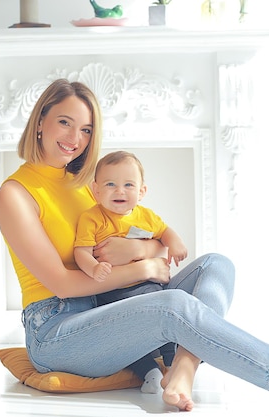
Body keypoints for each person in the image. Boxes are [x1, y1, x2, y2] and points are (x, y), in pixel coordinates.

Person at [0, 78, 269, 412]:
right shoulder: (16, 193)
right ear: (40, 120)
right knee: (171, 306)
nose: (75, 139)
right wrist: (144, 269)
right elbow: (63, 284)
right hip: (58, 330)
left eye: (85, 130)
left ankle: (183, 364)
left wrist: (143, 254)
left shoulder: (88, 186)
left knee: (216, 265)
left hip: (110, 306)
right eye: (65, 123)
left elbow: (148, 244)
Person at [74, 150, 187, 393]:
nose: (120, 191)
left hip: (149, 288)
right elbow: (80, 251)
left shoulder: (146, 216)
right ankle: (150, 372)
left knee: (167, 323)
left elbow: (165, 232)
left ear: (141, 191)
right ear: (96, 190)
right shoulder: (92, 218)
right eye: (110, 184)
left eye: (128, 185)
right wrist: (93, 267)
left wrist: (175, 243)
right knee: (126, 342)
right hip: (112, 294)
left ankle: (172, 363)